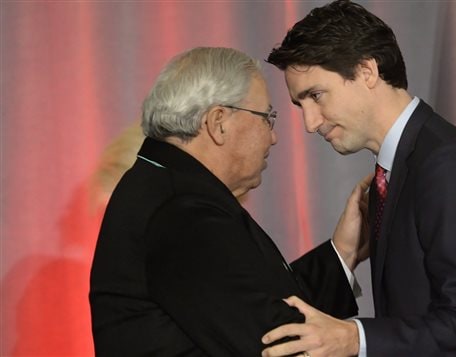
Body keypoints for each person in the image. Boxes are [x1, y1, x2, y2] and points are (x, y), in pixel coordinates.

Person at [262, 1, 456, 356]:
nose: (310, 122)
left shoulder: (448, 166)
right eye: (301, 106)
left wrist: (353, 338)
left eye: (316, 96)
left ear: (367, 71)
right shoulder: (397, 171)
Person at [89, 47, 368, 356]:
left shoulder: (167, 186)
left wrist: (343, 250)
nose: (272, 137)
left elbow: (257, 304)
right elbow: (277, 342)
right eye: (267, 118)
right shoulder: (181, 211)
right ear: (218, 122)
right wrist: (369, 340)